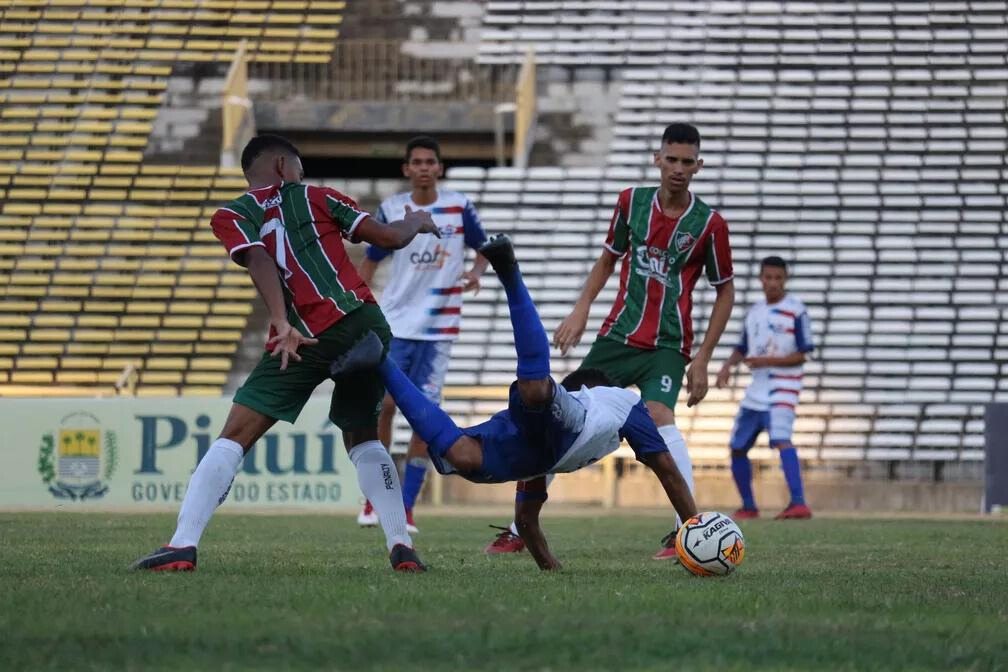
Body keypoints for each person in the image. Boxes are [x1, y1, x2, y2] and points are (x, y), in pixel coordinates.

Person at [130, 134, 441, 573]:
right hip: (363, 322)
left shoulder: (230, 214)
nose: (302, 176)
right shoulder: (318, 196)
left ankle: (182, 544)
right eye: (298, 168)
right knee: (365, 438)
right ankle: (400, 547)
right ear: (281, 165)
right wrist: (418, 221)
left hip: (305, 334)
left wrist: (280, 320)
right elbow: (390, 237)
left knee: (235, 434)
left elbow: (257, 258)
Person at [331, 235, 698, 570]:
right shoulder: (619, 400)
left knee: (461, 455)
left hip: (532, 446)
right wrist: (694, 528)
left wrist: (551, 567)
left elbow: (526, 521)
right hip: (561, 427)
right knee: (536, 391)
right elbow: (666, 467)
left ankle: (381, 361)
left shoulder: (552, 454)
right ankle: (509, 273)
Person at [489, 122, 735, 559]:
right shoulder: (631, 203)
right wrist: (581, 309)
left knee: (659, 417)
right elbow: (608, 261)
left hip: (668, 345)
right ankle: (518, 529)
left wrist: (703, 359)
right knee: (557, 415)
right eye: (671, 159)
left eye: (687, 161)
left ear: (699, 166)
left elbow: (725, 290)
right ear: (656, 159)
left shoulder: (710, 224)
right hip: (617, 336)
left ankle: (688, 532)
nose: (678, 168)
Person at [356, 136, 489, 534]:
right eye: (417, 161)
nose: (424, 167)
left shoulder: (459, 206)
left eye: (431, 161)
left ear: (439, 167)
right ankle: (374, 500)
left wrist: (476, 273)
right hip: (396, 324)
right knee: (384, 407)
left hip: (439, 330)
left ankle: (407, 507)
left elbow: (484, 248)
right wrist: (360, 306)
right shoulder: (393, 208)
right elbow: (371, 260)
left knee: (423, 420)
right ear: (406, 169)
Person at [715, 256, 814, 519]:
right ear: (761, 279)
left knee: (782, 440)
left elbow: (804, 354)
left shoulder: (796, 310)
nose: (772, 283)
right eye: (768, 277)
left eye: (778, 278)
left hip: (783, 387)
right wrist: (727, 366)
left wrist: (766, 360)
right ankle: (749, 506)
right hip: (756, 391)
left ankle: (798, 503)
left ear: (785, 279)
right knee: (737, 446)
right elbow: (742, 348)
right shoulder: (755, 312)